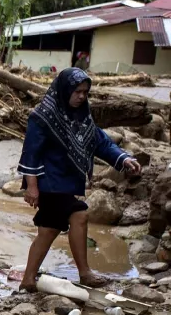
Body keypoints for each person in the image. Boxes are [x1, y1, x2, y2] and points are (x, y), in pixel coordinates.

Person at [17, 67, 141, 291]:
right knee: (71, 219)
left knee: (53, 228)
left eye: (85, 92)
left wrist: (123, 159)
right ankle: (79, 274)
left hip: (67, 182)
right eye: (77, 92)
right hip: (50, 182)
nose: (81, 96)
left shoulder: (82, 115)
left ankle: (32, 279)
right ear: (65, 90)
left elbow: (100, 142)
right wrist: (32, 187)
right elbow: (31, 153)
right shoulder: (42, 116)